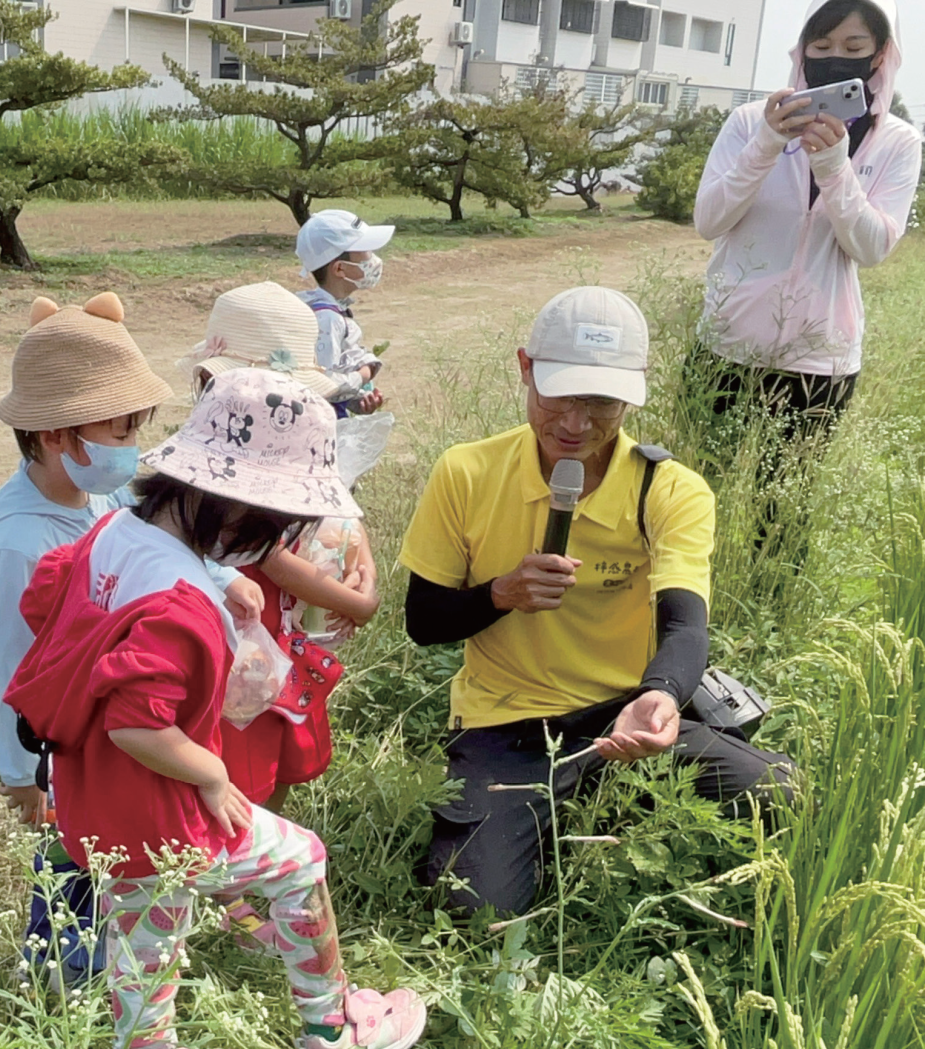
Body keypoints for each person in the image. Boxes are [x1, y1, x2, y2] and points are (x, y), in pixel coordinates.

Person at [5, 367, 426, 1049]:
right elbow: (137, 723)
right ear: (239, 515)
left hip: (93, 800)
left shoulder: (111, 530)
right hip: (162, 805)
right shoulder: (179, 610)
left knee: (145, 933)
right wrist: (208, 771)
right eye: (278, 529)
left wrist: (213, 577)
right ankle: (334, 1040)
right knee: (301, 861)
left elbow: (48, 595)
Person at [399, 287, 797, 917]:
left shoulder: (669, 488)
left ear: (633, 393)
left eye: (602, 401)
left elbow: (685, 626)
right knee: (475, 911)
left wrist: (661, 695)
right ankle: (540, 807)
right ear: (525, 367)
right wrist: (500, 593)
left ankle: (596, 791)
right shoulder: (466, 472)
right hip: (508, 723)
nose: (576, 424)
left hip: (624, 712)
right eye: (560, 393)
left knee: (784, 795)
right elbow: (424, 623)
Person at [0, 292, 261, 988]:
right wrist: (24, 777)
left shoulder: (97, 496)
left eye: (139, 425)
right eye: (118, 428)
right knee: (73, 873)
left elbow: (150, 543)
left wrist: (221, 576)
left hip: (121, 724)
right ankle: (57, 986)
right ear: (56, 436)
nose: (132, 444)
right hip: (68, 747)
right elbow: (11, 665)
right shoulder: (21, 542)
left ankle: (123, 969)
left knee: (120, 862)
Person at [180, 282, 381, 818]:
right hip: (239, 648)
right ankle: (234, 889)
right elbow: (263, 551)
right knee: (235, 775)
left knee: (275, 768)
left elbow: (341, 505)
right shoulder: (218, 464)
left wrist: (361, 565)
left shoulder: (293, 443)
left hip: (284, 642)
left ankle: (262, 872)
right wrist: (357, 601)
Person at [692, 0, 920, 438]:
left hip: (821, 362)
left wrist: (835, 168)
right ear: (802, 51)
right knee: (703, 491)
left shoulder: (899, 142)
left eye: (854, 47)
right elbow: (709, 221)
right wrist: (766, 143)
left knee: (785, 506)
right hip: (727, 345)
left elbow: (871, 250)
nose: (836, 57)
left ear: (879, 54)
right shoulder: (748, 122)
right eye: (821, 45)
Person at [295, 209, 394, 418]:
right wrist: (364, 374)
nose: (373, 259)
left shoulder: (323, 308)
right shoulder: (327, 320)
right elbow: (322, 383)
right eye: (365, 252)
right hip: (320, 425)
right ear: (340, 269)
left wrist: (357, 401)